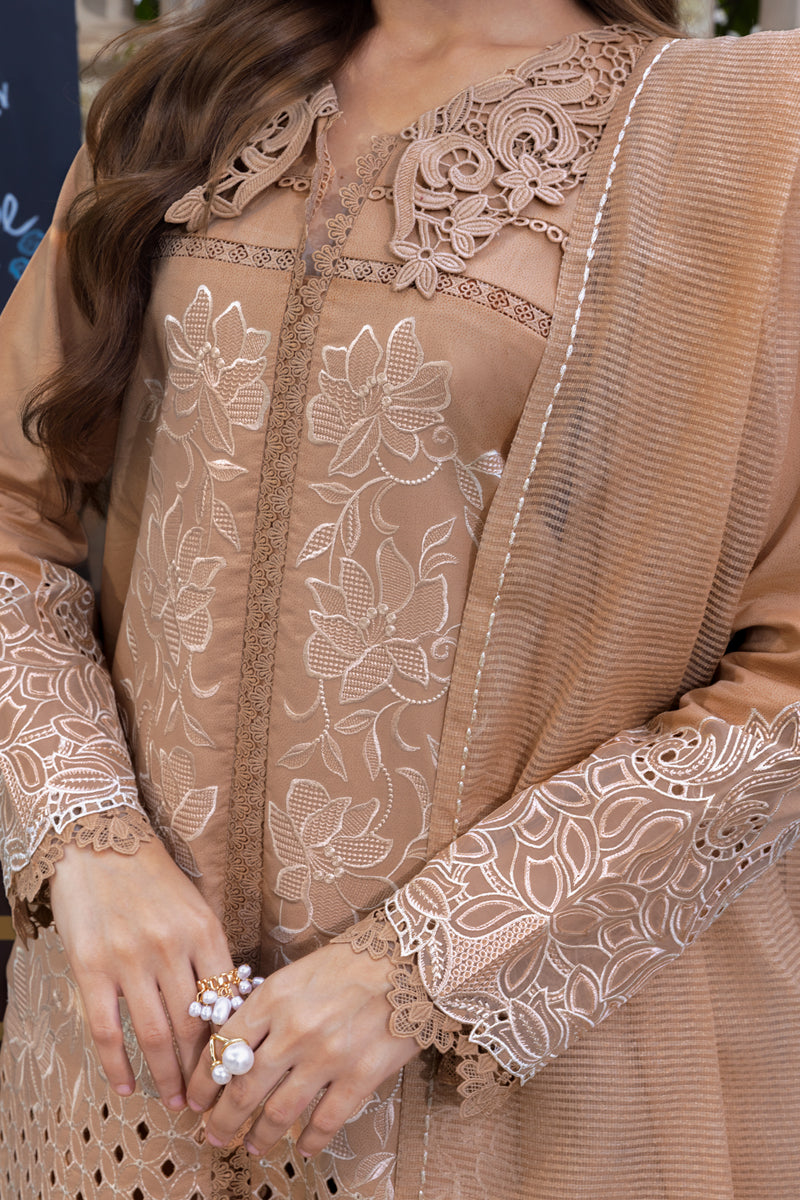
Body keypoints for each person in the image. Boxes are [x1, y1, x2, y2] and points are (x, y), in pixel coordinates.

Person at [0, 0, 798, 1195]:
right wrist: (90, 841)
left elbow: (781, 676)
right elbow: (13, 521)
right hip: (129, 1050)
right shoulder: (190, 99)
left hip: (497, 1080)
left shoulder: (746, 142)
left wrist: (421, 965)